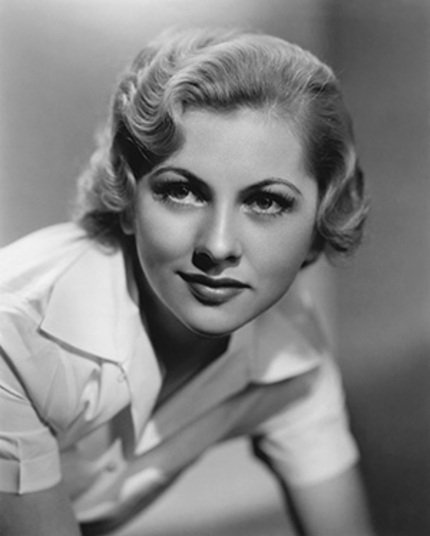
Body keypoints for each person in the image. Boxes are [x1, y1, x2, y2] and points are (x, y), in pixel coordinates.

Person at [0, 27, 374, 536]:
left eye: (266, 202)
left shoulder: (294, 356)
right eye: (181, 192)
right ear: (129, 200)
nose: (217, 246)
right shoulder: (18, 336)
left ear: (319, 224)